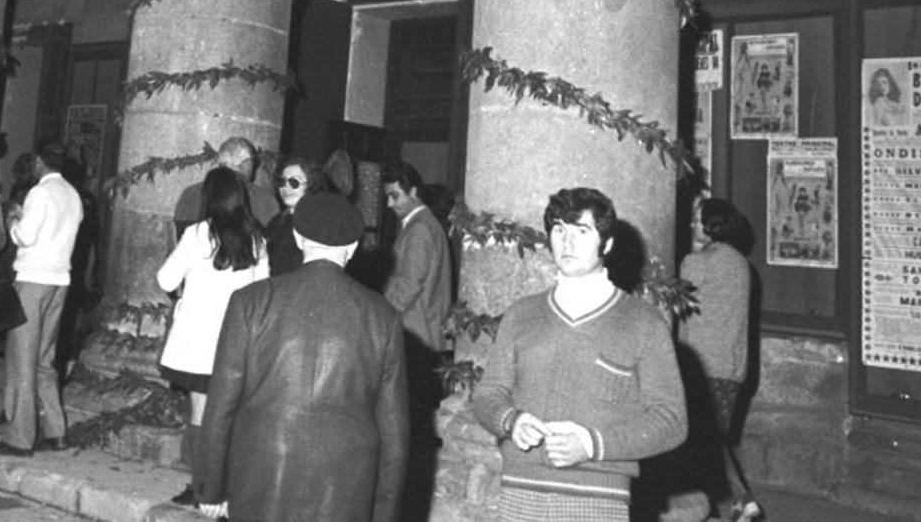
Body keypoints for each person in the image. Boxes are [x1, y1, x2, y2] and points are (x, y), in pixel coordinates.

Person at [470, 187, 687, 522]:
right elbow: (487, 394)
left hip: (599, 499)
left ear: (607, 243)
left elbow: (671, 420)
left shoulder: (642, 323)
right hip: (520, 492)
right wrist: (511, 421)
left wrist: (591, 444)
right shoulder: (521, 314)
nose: (567, 243)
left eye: (581, 232)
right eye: (559, 230)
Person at [195, 190, 409, 522]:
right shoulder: (384, 318)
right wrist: (383, 513)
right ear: (352, 249)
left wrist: (211, 486)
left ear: (297, 237)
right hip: (345, 489)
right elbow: (395, 436)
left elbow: (221, 404)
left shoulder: (250, 302)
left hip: (260, 479)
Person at [159, 166, 270, 507]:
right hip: (237, 341)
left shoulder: (197, 234)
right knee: (230, 414)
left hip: (197, 342)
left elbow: (165, 280)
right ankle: (226, 488)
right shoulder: (257, 238)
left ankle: (201, 486)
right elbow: (263, 291)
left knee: (200, 411)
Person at [0, 140, 84, 457]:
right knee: (44, 360)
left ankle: (19, 437)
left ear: (40, 162)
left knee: (21, 360)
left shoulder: (39, 193)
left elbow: (25, 236)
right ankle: (56, 431)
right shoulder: (72, 194)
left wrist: (14, 218)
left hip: (32, 281)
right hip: (60, 282)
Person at [681, 197, 762, 522]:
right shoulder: (741, 264)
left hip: (700, 364)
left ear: (710, 225)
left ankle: (737, 501)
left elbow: (680, 315)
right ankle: (733, 504)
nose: (691, 225)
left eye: (697, 220)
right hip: (732, 367)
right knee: (710, 437)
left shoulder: (696, 262)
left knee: (703, 439)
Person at [381, 160, 453, 452]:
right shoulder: (424, 225)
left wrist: (380, 315)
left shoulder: (420, 228)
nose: (389, 204)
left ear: (413, 191)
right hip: (422, 330)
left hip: (415, 332)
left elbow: (408, 284)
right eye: (387, 196)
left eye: (395, 196)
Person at [174, 136, 280, 235]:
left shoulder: (191, 193)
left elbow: (178, 233)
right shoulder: (265, 199)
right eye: (253, 162)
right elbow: (272, 241)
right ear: (247, 162)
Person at [263, 155, 330, 276]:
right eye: (282, 182)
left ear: (311, 185)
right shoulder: (276, 222)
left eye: (294, 182)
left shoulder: (318, 224)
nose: (285, 188)